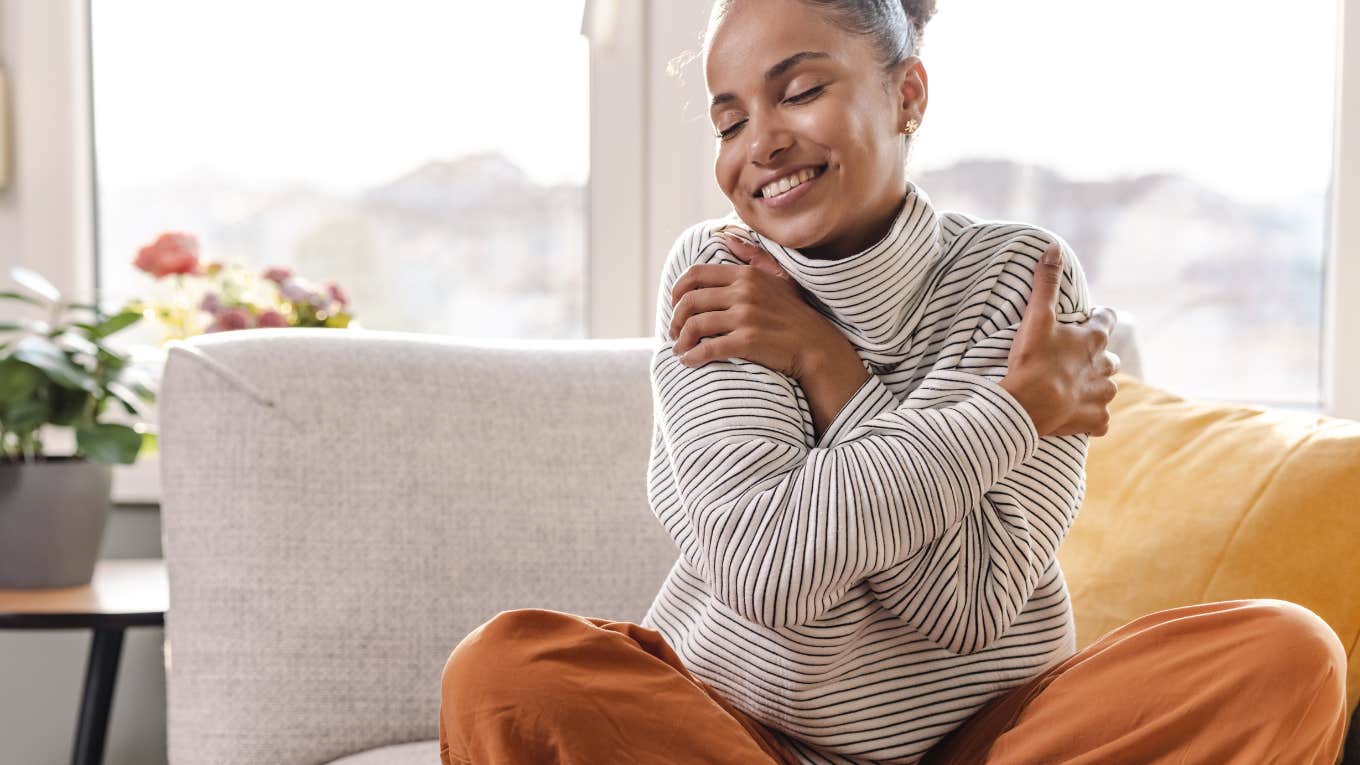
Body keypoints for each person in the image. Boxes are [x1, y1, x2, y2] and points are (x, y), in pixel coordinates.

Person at [438, 1, 1349, 763]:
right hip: (737, 735)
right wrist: (1012, 413)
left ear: (906, 93)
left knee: (1285, 655)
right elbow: (769, 571)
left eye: (798, 91)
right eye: (729, 120)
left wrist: (828, 367)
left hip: (986, 740)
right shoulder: (720, 272)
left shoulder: (1019, 278)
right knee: (507, 673)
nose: (761, 143)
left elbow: (969, 606)